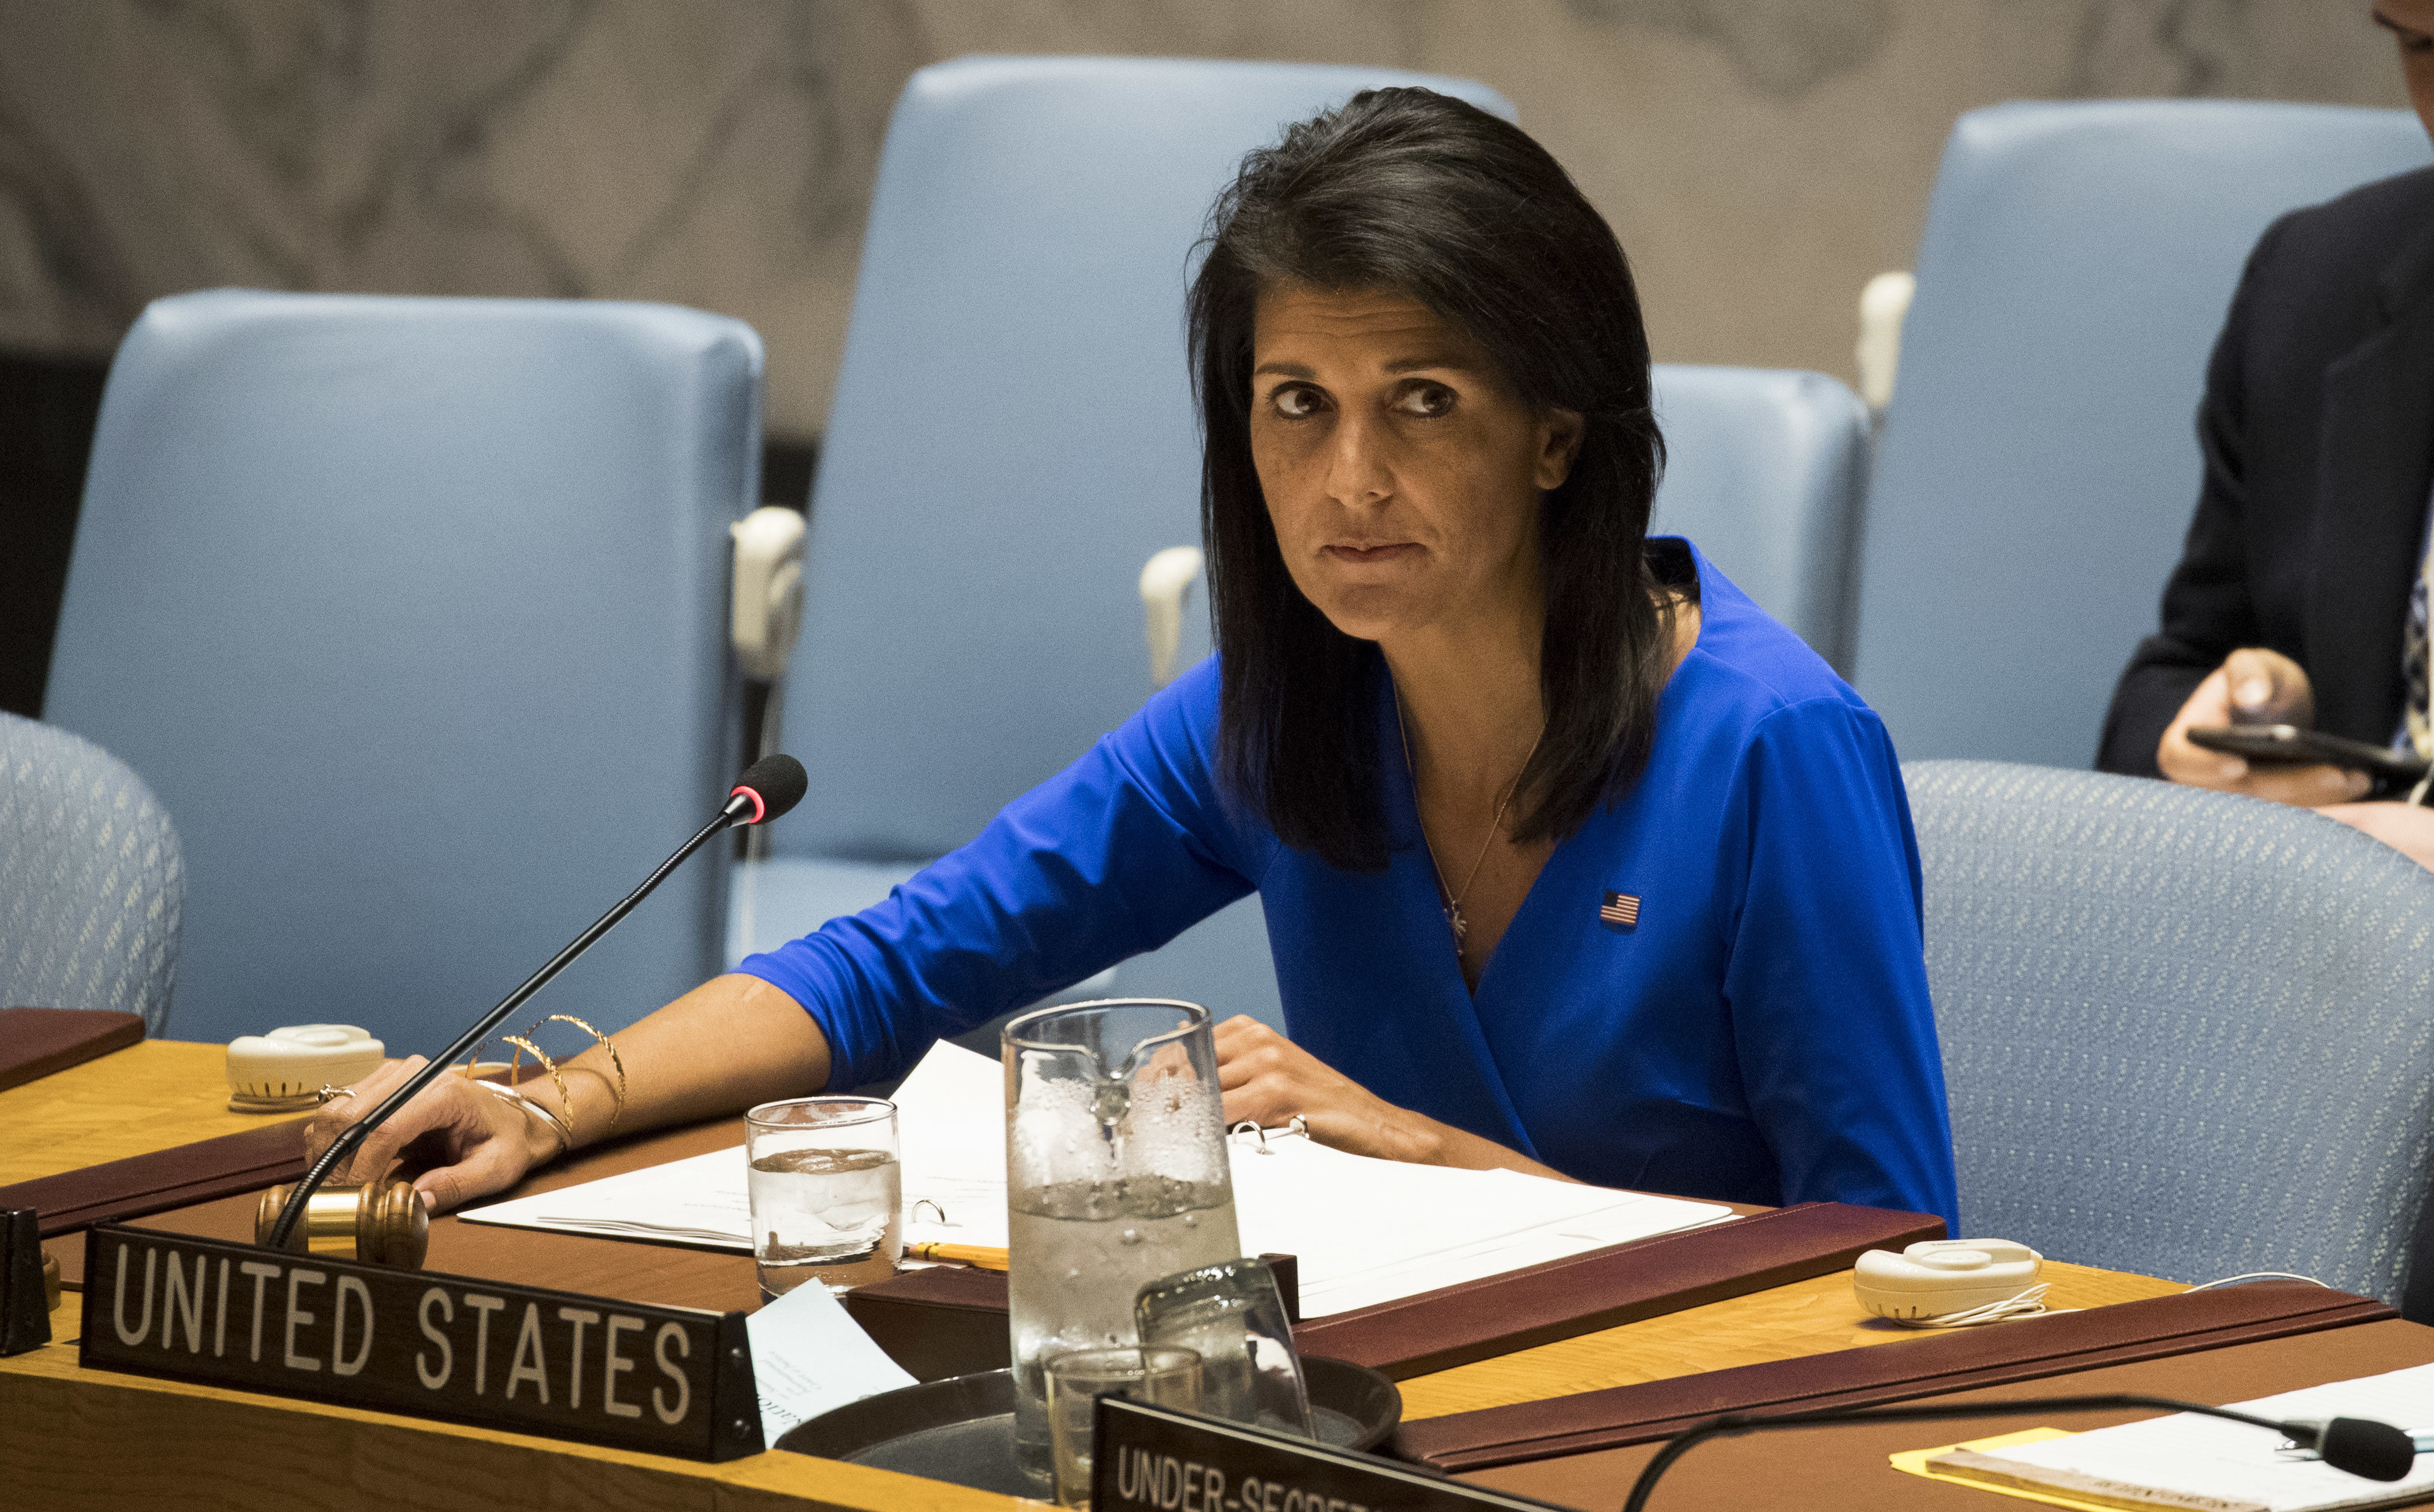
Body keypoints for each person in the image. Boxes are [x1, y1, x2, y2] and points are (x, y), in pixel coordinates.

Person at [308, 88, 1960, 1232]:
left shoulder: (1769, 749)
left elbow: (1894, 1269)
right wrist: (548, 1104)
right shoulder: (1281, 711)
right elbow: (901, 962)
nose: (1347, 483)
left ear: (1553, 437)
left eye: (1423, 404)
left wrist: (1425, 1158)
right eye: (1295, 404)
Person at [2096, 2, 2434, 874]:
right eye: (2423, 44)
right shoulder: (2313, 284)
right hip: (2324, 968)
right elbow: (2171, 677)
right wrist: (2209, 737)